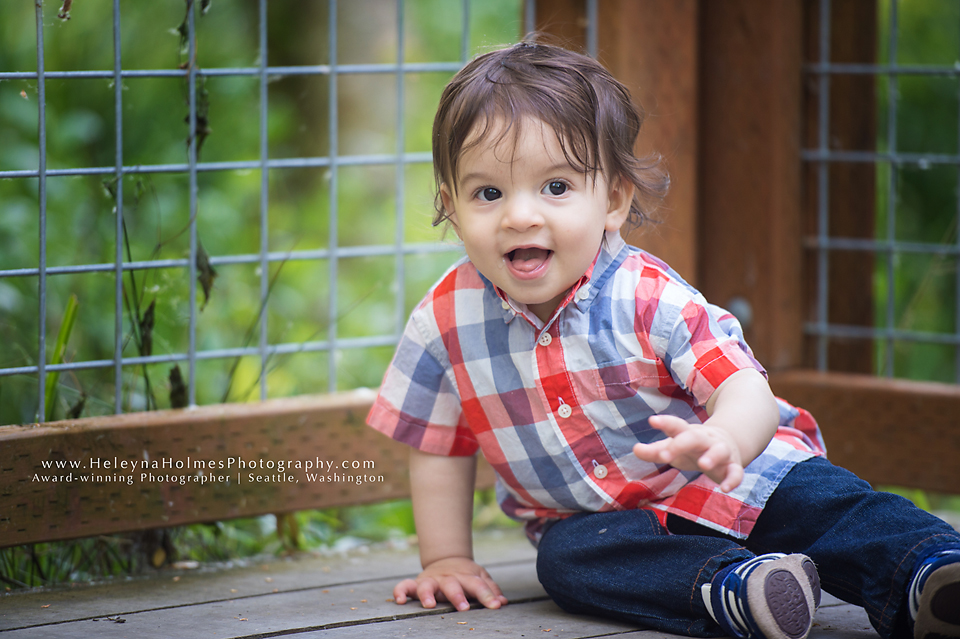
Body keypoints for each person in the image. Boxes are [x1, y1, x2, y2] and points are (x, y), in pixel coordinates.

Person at [366, 40, 960, 639]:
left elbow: (742, 385)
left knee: (825, 503)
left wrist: (724, 437)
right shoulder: (444, 323)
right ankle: (740, 589)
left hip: (736, 478)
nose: (520, 216)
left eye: (556, 188)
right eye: (488, 193)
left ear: (614, 201)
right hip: (608, 528)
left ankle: (929, 570)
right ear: (452, 206)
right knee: (564, 563)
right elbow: (438, 445)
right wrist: (445, 558)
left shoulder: (649, 296)